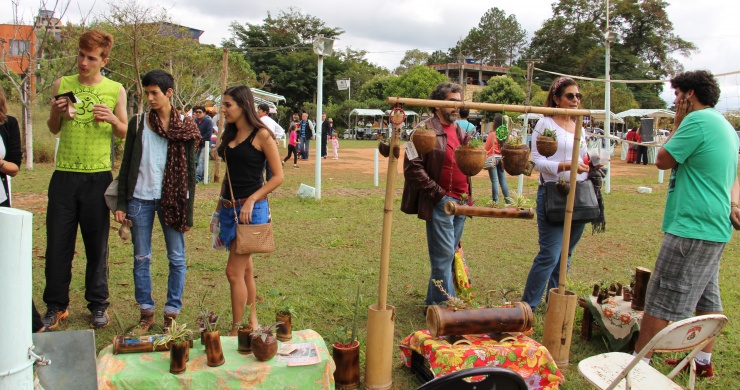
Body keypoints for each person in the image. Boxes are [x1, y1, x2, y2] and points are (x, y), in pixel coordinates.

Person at [633, 70, 739, 378]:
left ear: (689, 95)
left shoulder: (697, 121)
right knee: (708, 295)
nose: (675, 101)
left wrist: (678, 123)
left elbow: (663, 160)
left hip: (693, 226)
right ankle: (703, 362)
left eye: (677, 94)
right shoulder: (727, 127)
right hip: (715, 226)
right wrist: (734, 204)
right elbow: (733, 175)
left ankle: (639, 364)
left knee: (660, 294)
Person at [43, 29, 128, 329]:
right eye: (80, 55)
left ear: (104, 60)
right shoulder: (61, 84)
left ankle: (98, 305)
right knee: (57, 243)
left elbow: (124, 132)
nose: (83, 62)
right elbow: (53, 129)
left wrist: (113, 119)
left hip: (97, 177)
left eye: (91, 58)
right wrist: (59, 115)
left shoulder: (115, 89)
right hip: (64, 175)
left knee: (96, 245)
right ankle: (55, 305)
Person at [114, 70, 200, 332]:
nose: (150, 98)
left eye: (155, 93)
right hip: (139, 198)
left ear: (169, 93)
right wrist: (120, 203)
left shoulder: (185, 128)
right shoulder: (138, 123)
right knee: (141, 257)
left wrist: (188, 211)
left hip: (171, 200)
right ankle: (146, 314)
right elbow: (127, 163)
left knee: (177, 257)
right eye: (147, 92)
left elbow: (189, 176)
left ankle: (171, 314)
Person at [211, 85, 284, 335]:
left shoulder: (261, 135)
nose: (223, 110)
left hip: (251, 210)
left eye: (228, 105)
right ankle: (251, 324)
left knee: (233, 273)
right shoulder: (230, 135)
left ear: (243, 105)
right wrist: (219, 206)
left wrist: (252, 199)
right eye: (223, 105)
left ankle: (236, 331)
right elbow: (230, 176)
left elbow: (278, 177)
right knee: (246, 270)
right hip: (229, 209)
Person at [522, 77, 590, 311]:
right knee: (550, 253)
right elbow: (537, 161)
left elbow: (582, 157)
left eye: (578, 96)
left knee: (566, 254)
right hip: (553, 194)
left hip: (578, 194)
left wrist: (589, 165)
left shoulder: (579, 123)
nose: (575, 100)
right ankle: (528, 307)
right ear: (556, 98)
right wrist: (567, 165)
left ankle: (555, 303)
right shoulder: (545, 123)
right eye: (570, 96)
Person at [401, 82, 471, 308]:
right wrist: (439, 196)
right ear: (437, 104)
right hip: (442, 202)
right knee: (442, 259)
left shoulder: (460, 130)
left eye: (459, 102)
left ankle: (434, 305)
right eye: (451, 102)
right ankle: (447, 310)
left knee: (448, 256)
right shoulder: (423, 131)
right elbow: (412, 167)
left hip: (461, 202)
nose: (456, 107)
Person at [0, 89, 44, 333]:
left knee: (7, 263)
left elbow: (14, 167)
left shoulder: (9, 124)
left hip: (1, 202)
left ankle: (34, 324)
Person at [485, 114, 511, 204]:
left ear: (495, 123)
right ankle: (508, 201)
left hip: (492, 158)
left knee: (495, 181)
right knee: (503, 181)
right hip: (501, 159)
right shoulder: (504, 134)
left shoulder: (492, 134)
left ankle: (495, 201)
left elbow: (486, 147)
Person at [257, 103, 284, 181]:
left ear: (264, 111)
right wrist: (277, 140)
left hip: (263, 144)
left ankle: (260, 181)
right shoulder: (270, 120)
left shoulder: (261, 120)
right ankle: (270, 182)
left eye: (259, 109)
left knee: (262, 164)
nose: (258, 111)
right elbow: (281, 130)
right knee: (269, 165)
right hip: (271, 144)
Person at [193, 105, 213, 183]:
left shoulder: (208, 121)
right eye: (196, 112)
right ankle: (205, 177)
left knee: (202, 160)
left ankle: (197, 177)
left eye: (200, 112)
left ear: (204, 113)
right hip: (197, 144)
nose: (198, 113)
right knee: (199, 161)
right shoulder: (195, 121)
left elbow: (209, 133)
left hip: (206, 143)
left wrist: (200, 139)